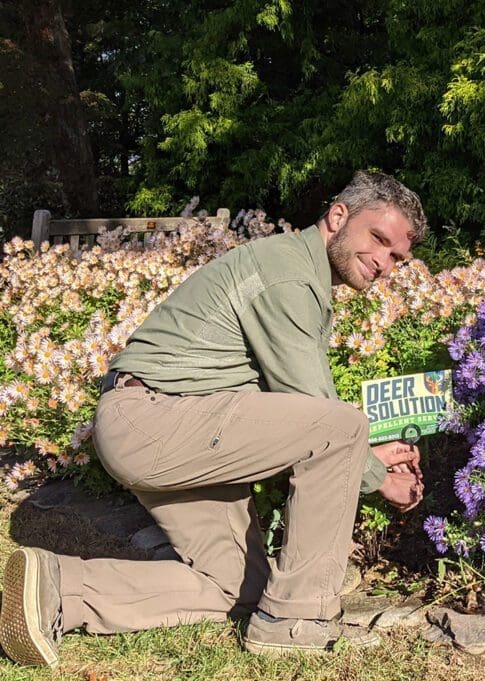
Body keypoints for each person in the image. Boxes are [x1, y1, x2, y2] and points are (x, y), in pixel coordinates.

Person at [0, 171, 428, 667]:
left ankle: (59, 589)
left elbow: (298, 421)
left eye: (397, 256)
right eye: (378, 239)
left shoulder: (296, 270)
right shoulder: (289, 272)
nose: (384, 263)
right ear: (338, 217)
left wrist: (366, 460)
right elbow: (317, 409)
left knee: (239, 587)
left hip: (173, 426)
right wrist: (379, 479)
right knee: (344, 425)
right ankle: (299, 621)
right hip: (154, 420)